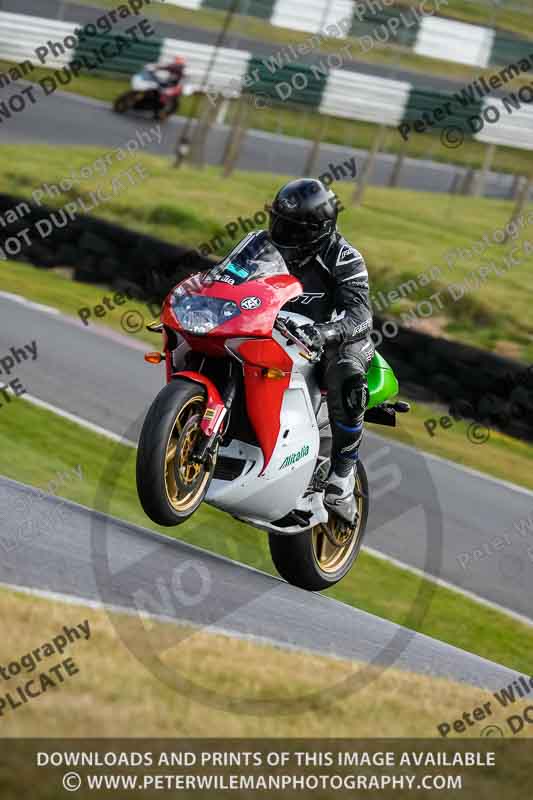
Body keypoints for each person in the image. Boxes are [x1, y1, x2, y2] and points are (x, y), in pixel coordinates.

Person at [269, 178, 374, 525]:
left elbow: (361, 316)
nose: (281, 232)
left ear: (316, 230)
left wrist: (325, 333)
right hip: (278, 331)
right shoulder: (262, 245)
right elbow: (226, 276)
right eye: (278, 222)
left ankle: (342, 479)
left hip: (335, 339)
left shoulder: (344, 257)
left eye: (291, 228)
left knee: (345, 368)